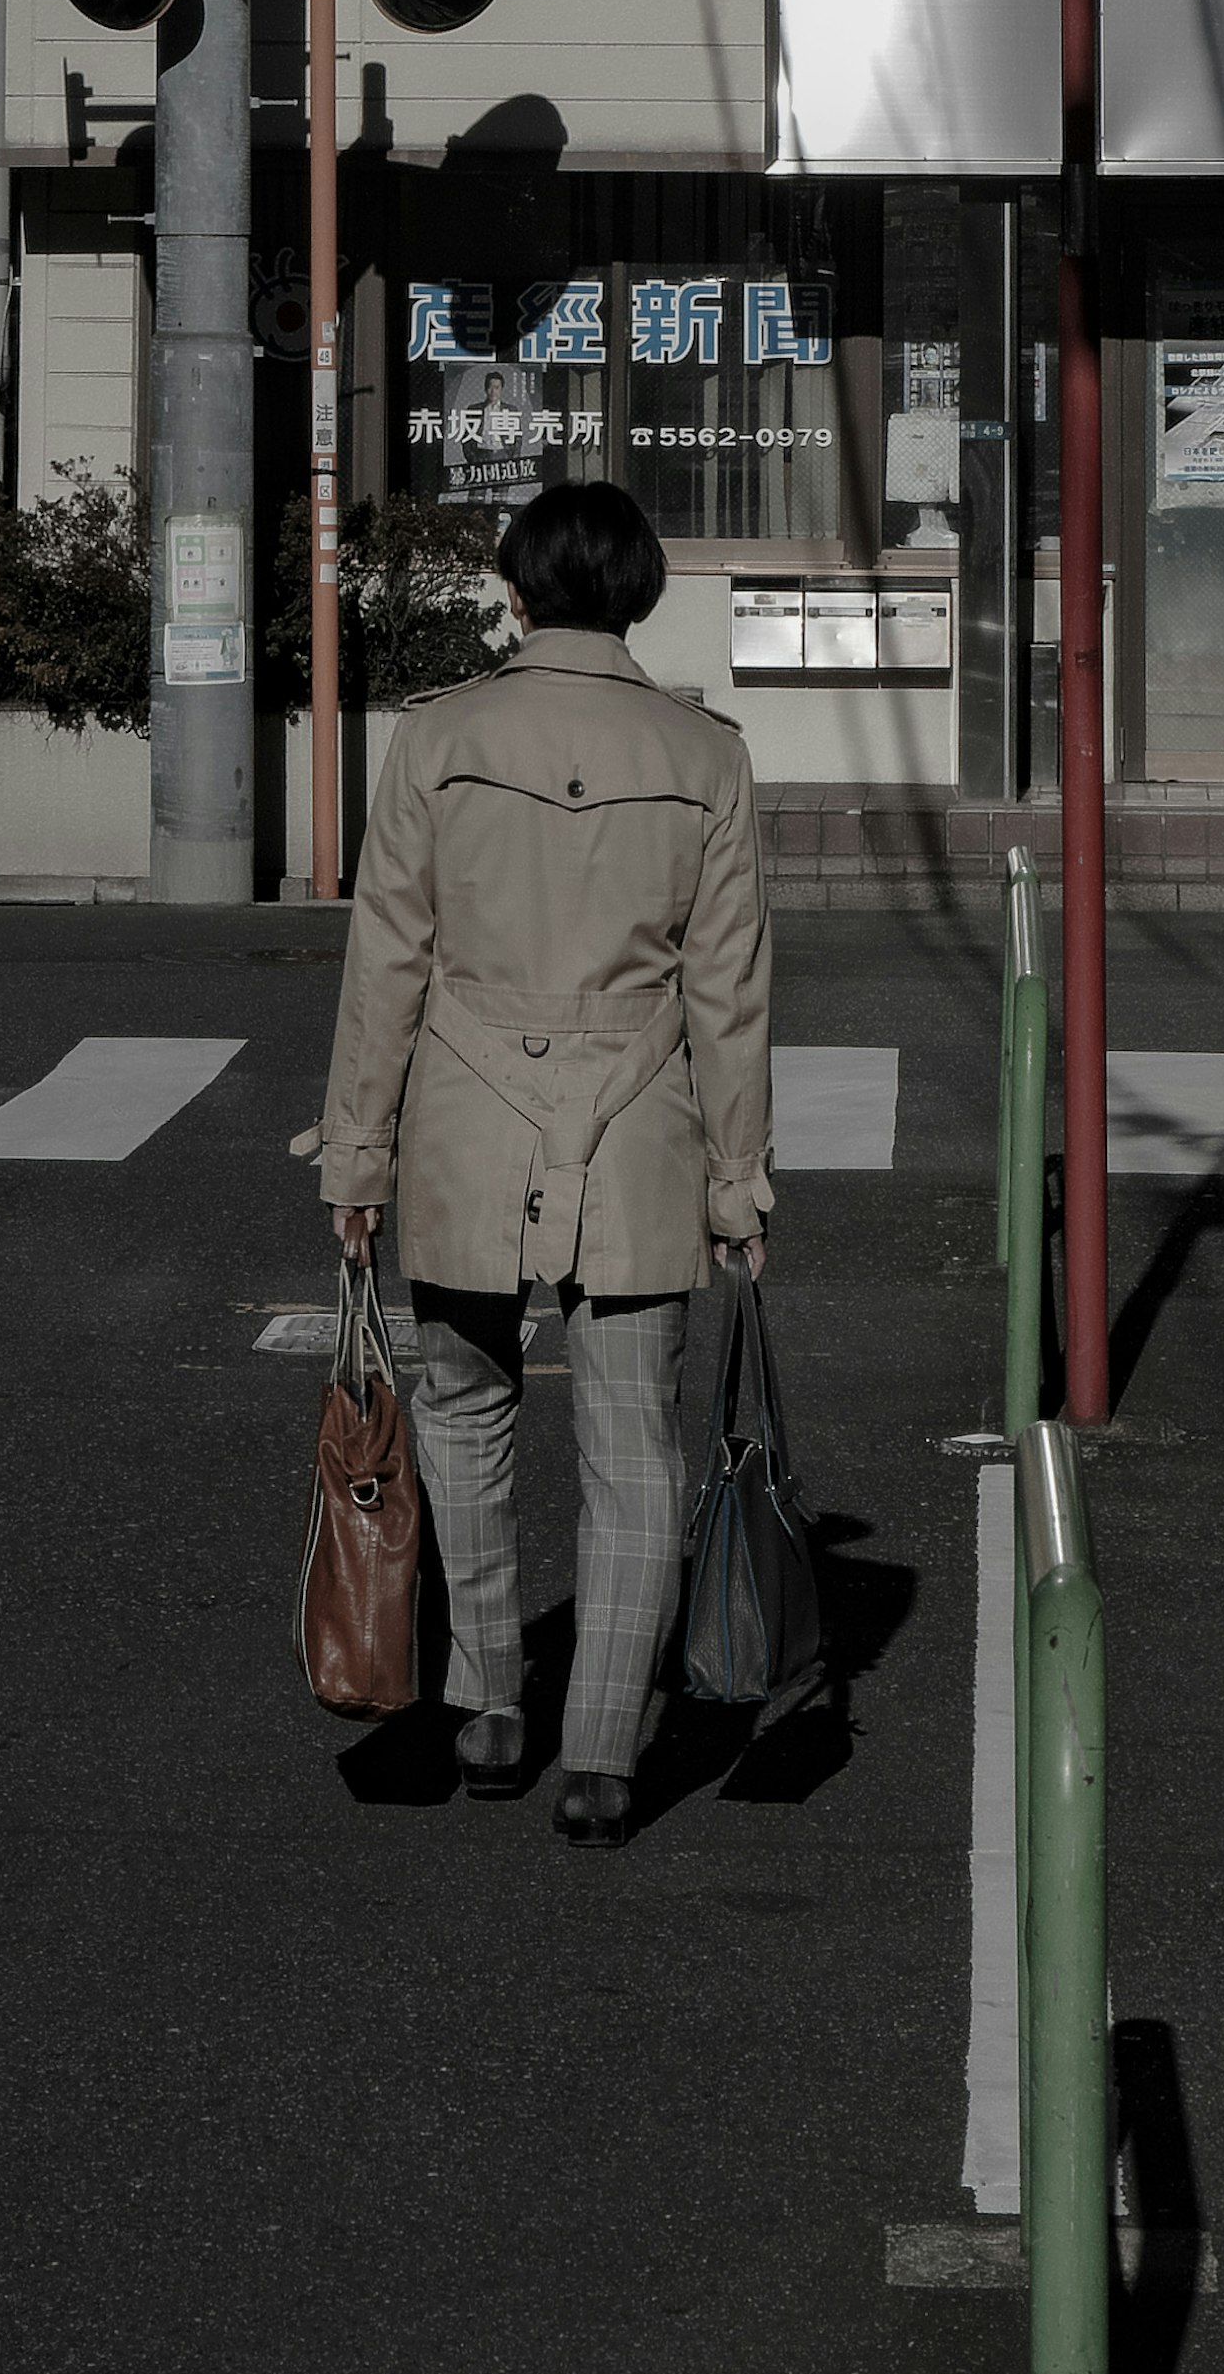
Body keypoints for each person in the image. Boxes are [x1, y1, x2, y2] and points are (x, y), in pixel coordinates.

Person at [313, 473, 772, 1842]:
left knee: (462, 1413)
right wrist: (739, 1179)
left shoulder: (441, 739)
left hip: (460, 1116)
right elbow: (729, 994)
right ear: (640, 594)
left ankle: (488, 1699)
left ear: (515, 588)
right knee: (635, 1447)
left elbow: (386, 961)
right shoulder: (707, 757)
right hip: (638, 1124)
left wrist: (357, 1159)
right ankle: (603, 1755)